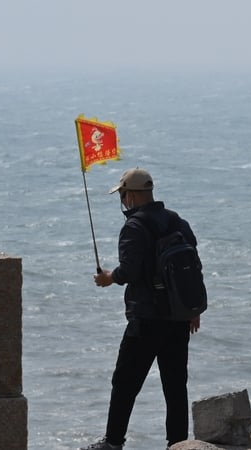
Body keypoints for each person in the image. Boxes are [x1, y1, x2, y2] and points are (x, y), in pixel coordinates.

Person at [82, 167, 202, 450]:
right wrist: (193, 309)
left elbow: (131, 272)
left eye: (123, 194)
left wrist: (109, 278)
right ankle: (178, 444)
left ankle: (112, 443)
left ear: (133, 195)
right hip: (177, 317)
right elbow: (193, 268)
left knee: (124, 382)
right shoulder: (177, 222)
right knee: (175, 386)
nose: (122, 200)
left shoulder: (134, 227)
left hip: (146, 320)